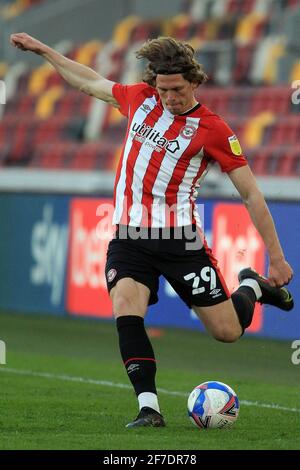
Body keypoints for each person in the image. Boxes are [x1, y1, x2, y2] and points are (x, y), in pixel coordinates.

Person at [10, 33, 294, 428]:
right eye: (163, 89)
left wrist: (276, 257)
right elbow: (88, 81)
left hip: (181, 242)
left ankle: (252, 286)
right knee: (126, 307)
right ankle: (149, 408)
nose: (169, 97)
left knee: (227, 332)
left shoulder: (213, 130)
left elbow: (251, 194)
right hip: (129, 238)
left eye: (177, 89)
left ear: (194, 82)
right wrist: (45, 51)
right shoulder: (141, 99)